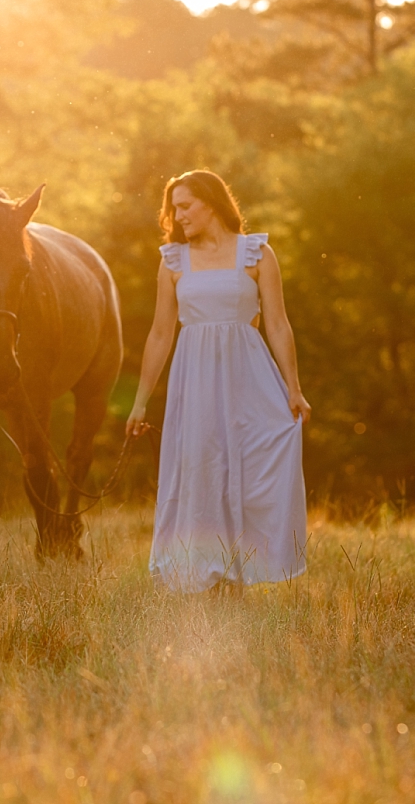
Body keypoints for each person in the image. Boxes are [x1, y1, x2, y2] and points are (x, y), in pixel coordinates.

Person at [126, 170, 311, 592]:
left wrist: (294, 388)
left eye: (185, 205)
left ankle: (240, 570)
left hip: (249, 377)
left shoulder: (257, 254)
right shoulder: (173, 261)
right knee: (201, 465)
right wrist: (139, 402)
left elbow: (278, 326)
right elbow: (159, 334)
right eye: (174, 208)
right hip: (194, 380)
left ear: (211, 202)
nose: (178, 215)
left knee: (253, 463)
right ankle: (204, 572)